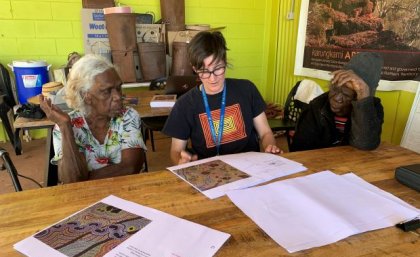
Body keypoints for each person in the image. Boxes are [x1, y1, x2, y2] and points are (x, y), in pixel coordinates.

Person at [162, 31, 280, 165]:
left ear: (225, 62)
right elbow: (176, 151)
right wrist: (180, 160)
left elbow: (265, 133)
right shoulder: (185, 105)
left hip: (250, 166)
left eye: (218, 69)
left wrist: (269, 146)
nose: (212, 78)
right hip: (209, 171)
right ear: (195, 69)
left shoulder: (247, 90)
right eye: (204, 71)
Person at [39, 54, 146, 183]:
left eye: (118, 88)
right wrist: (65, 127)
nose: (118, 96)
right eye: (107, 91)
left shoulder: (127, 116)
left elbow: (130, 168)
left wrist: (83, 180)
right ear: (86, 96)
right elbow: (70, 179)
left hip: (126, 191)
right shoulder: (68, 125)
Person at [290, 52, 384, 151]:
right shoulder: (317, 106)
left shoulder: (372, 108)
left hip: (352, 163)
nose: (337, 98)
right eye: (335, 89)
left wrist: (363, 93)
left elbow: (365, 144)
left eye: (346, 95)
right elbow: (299, 149)